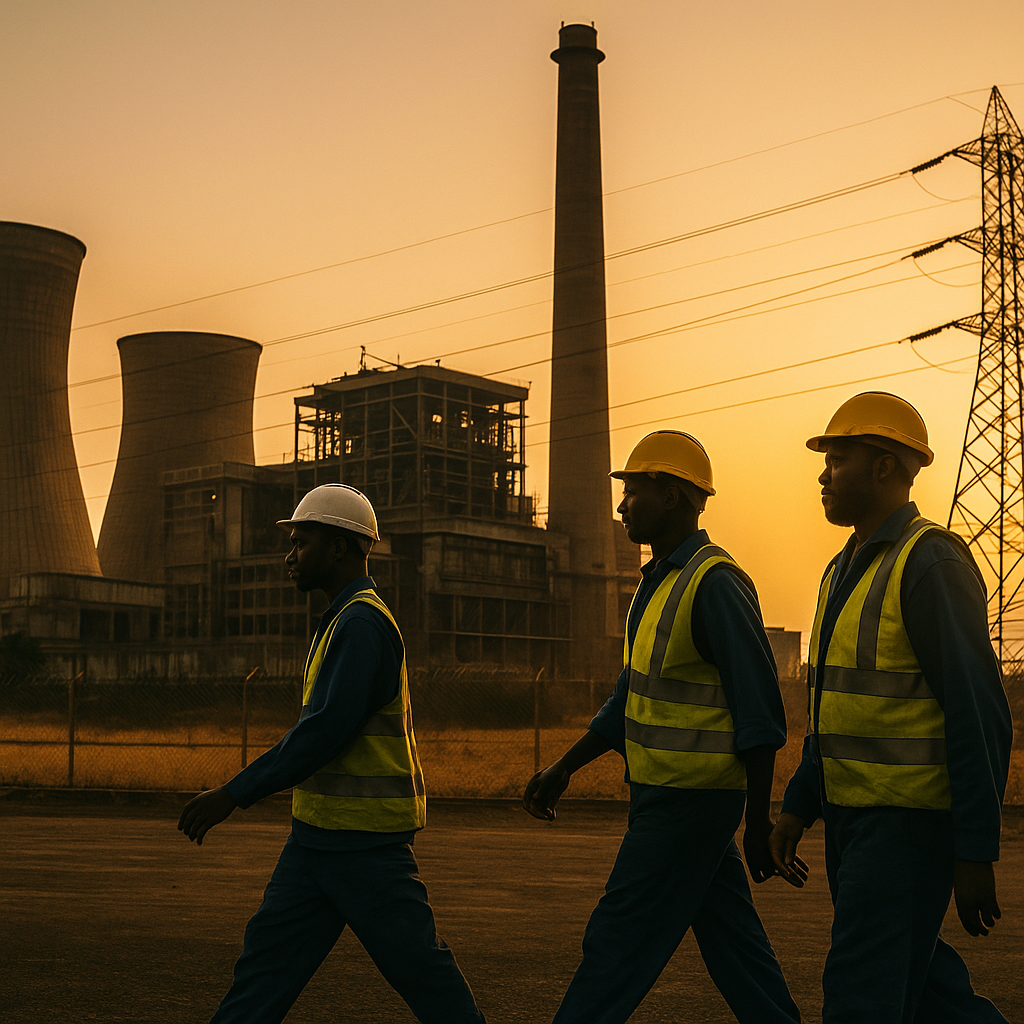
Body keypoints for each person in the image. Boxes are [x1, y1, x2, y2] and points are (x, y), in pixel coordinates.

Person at [177, 483, 486, 1024]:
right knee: (263, 973)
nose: (288, 556)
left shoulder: (362, 624)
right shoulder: (341, 621)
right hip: (317, 838)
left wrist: (234, 793)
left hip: (363, 844)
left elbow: (324, 733)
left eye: (300, 543)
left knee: (423, 975)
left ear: (339, 547)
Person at [524, 430, 802, 1024]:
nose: (621, 506)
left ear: (673, 496)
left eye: (633, 491)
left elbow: (761, 716)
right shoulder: (655, 585)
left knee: (616, 945)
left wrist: (757, 822)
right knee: (737, 953)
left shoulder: (716, 585)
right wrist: (564, 767)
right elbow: (629, 701)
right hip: (663, 800)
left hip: (690, 806)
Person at [770, 392, 1013, 1024]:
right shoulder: (839, 569)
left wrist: (974, 848)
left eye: (838, 459)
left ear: (883, 467)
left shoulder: (929, 562)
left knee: (861, 990)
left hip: (906, 827)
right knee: (924, 988)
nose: (823, 475)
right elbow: (838, 713)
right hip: (854, 822)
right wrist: (800, 803)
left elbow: (977, 713)